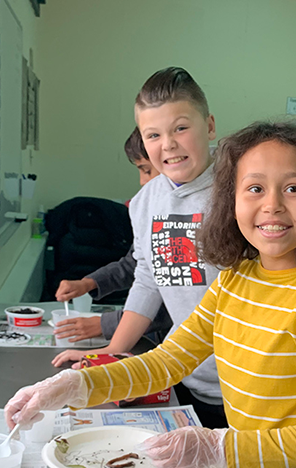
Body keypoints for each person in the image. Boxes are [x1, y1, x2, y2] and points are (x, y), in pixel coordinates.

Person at [5, 121, 296, 468]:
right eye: (255, 188)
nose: (272, 204)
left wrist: (217, 448)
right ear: (232, 200)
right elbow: (167, 361)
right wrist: (73, 386)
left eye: (293, 188)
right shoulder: (235, 278)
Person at [52, 67, 226, 428]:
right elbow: (147, 279)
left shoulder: (238, 193)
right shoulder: (147, 201)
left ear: (209, 126)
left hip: (250, 386)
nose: (168, 144)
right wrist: (111, 354)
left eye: (181, 128)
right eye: (153, 134)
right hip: (185, 375)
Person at [53, 127, 173, 346]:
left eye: (146, 170)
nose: (142, 181)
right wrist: (88, 283)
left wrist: (106, 325)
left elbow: (183, 304)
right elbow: (135, 264)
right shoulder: (151, 209)